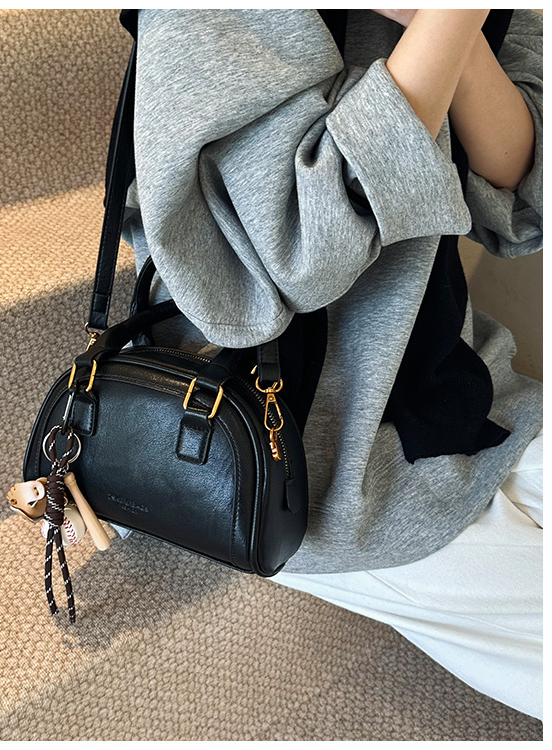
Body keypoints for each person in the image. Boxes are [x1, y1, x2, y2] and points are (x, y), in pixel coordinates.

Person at [119, 9, 543, 719]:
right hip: (287, 449)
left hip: (454, 383)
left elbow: (524, 196)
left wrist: (454, 27)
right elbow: (291, 248)